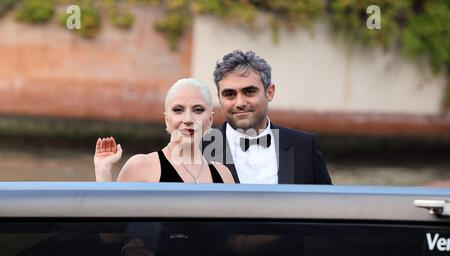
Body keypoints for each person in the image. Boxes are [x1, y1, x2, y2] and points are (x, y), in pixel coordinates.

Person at [202, 50, 332, 185]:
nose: (240, 103)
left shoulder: (305, 146)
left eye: (249, 92)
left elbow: (328, 203)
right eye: (229, 94)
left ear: (269, 92)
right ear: (219, 98)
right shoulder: (200, 149)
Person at [94, 78, 235, 184]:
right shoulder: (140, 167)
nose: (188, 119)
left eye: (198, 110)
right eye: (178, 110)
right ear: (167, 119)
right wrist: (103, 173)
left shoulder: (224, 175)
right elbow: (114, 220)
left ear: (210, 120)